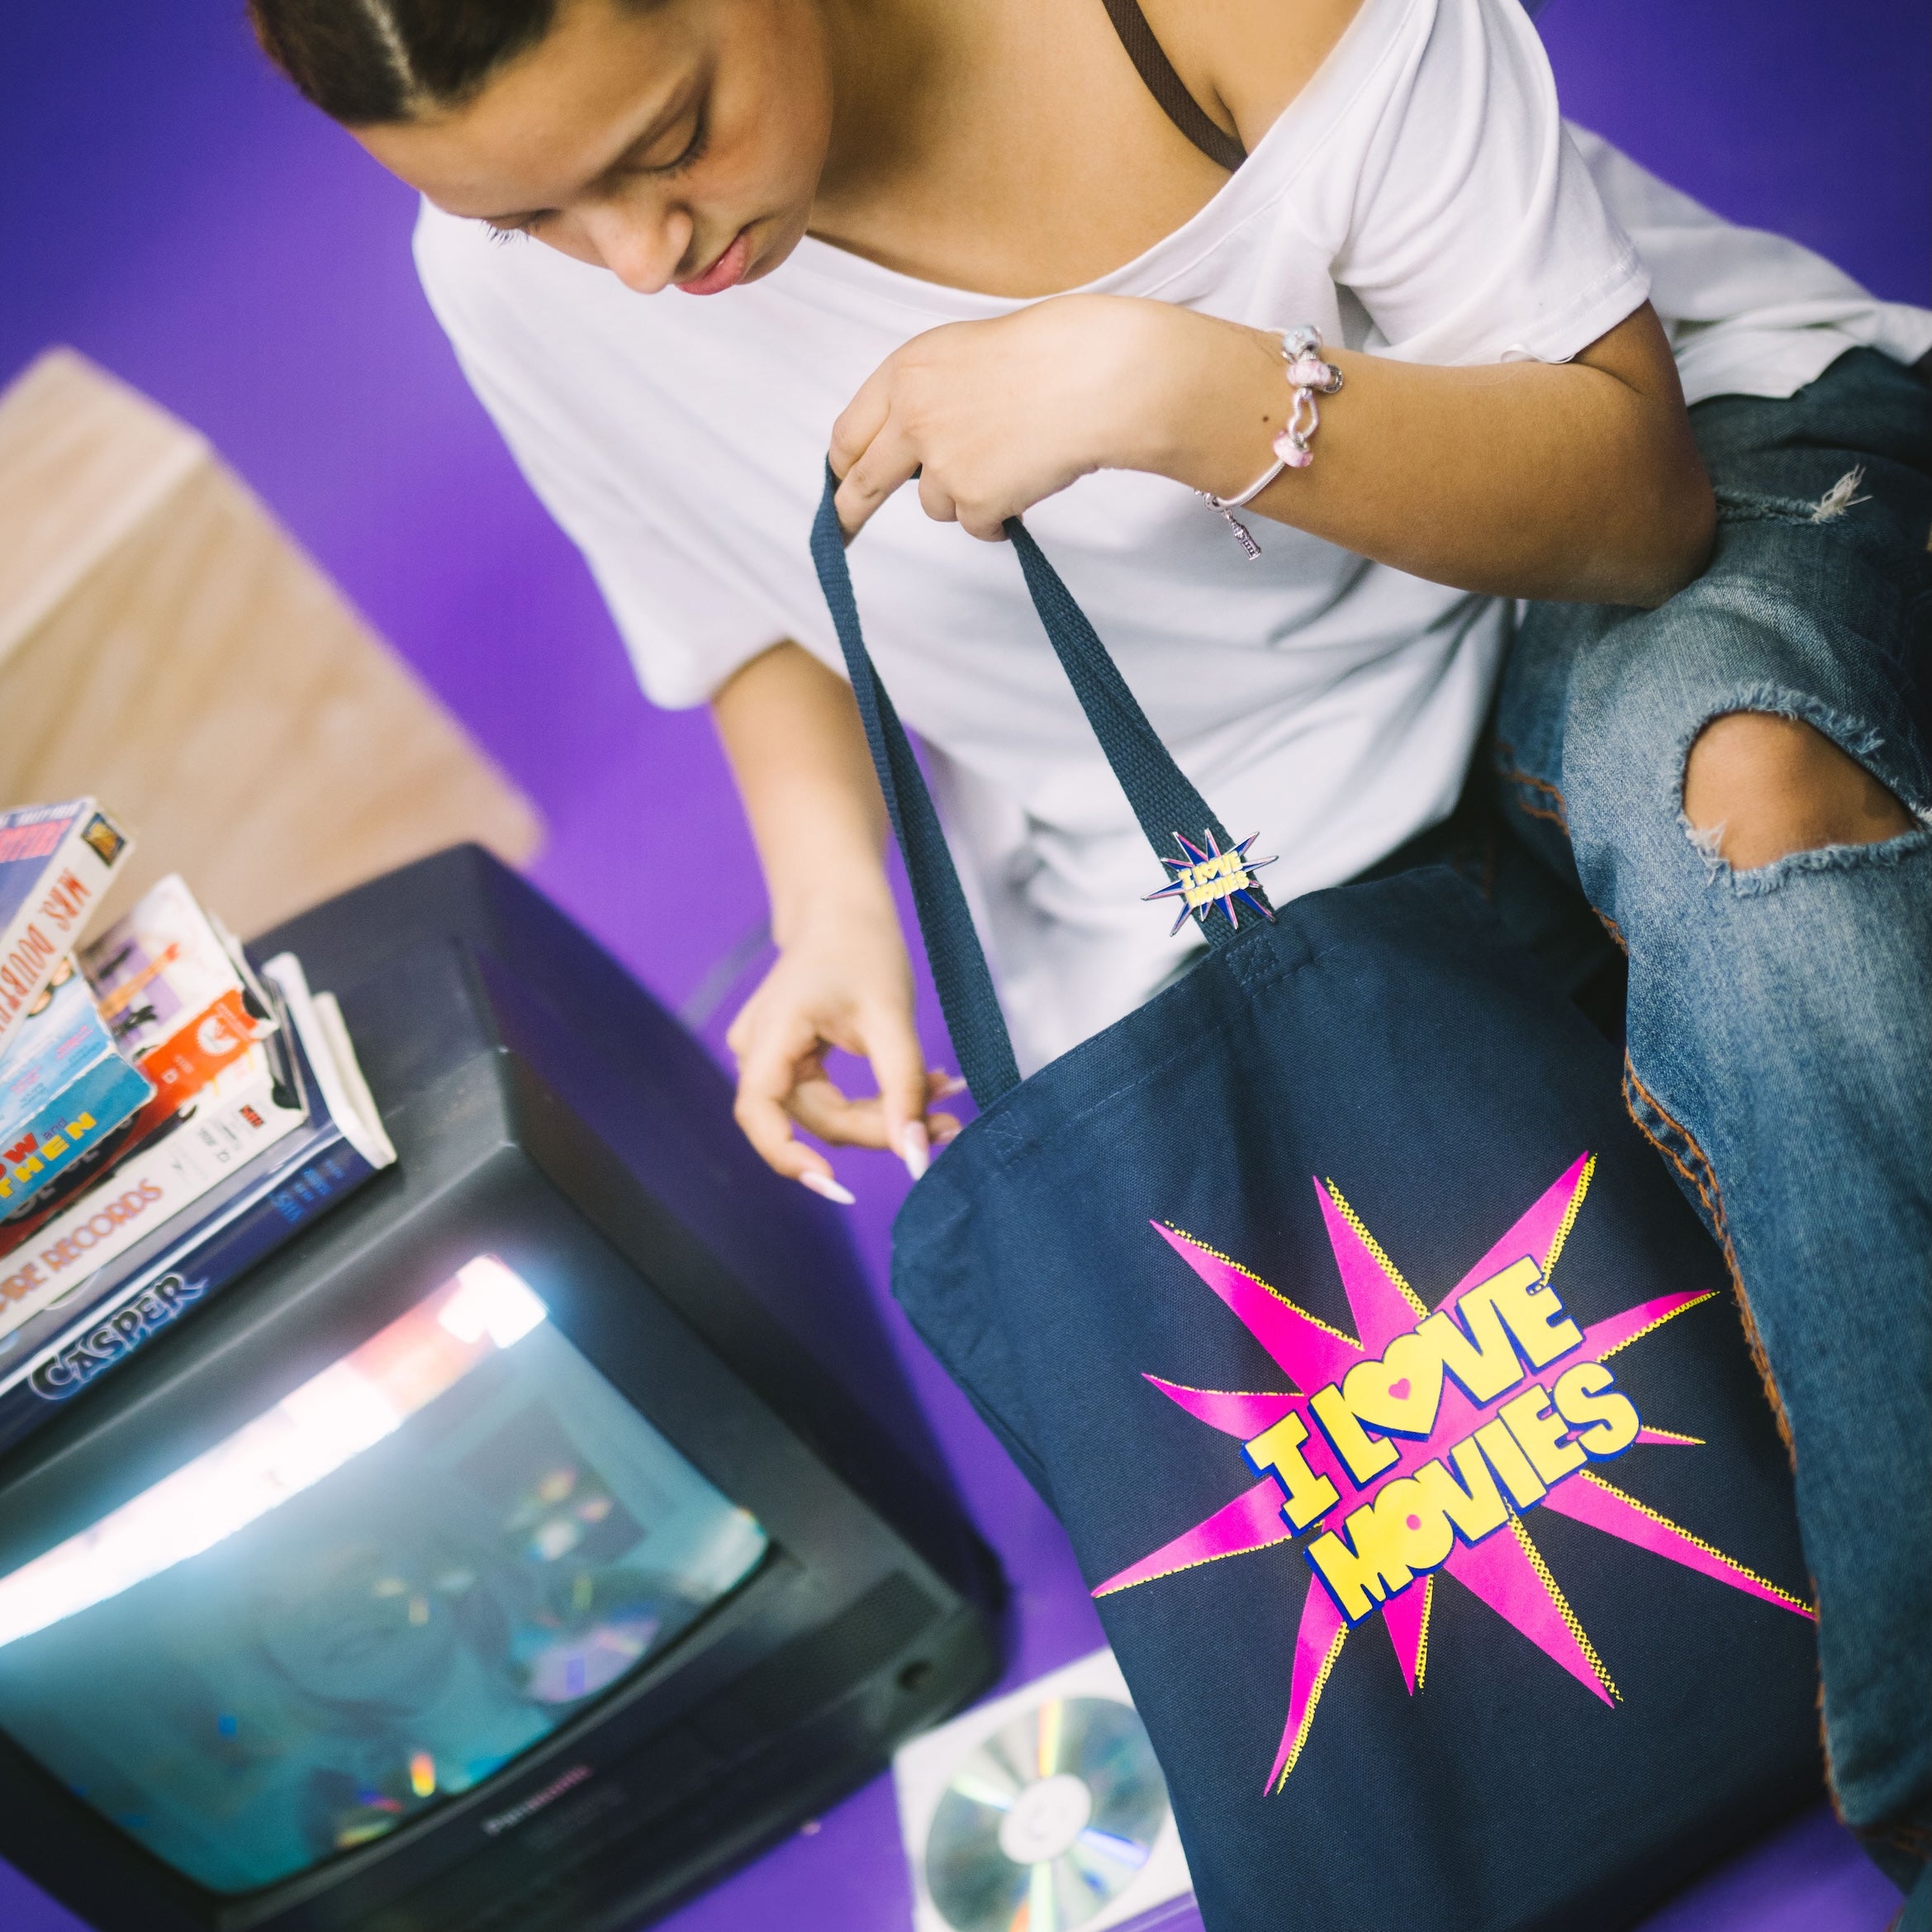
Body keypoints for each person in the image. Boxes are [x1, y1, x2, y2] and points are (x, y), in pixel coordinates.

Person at [245, 0, 1930, 1912]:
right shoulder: (520, 273)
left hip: (1615, 533)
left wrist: (1171, 387)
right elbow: (743, 594)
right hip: (1216, 845)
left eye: (668, 139)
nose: (633, 260)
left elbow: (1635, 507)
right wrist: (833, 918)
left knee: (1764, 819)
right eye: (532, 217)